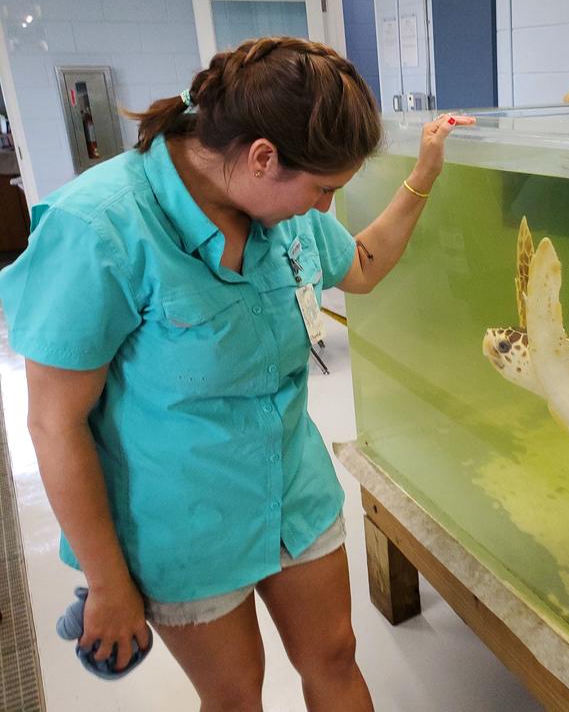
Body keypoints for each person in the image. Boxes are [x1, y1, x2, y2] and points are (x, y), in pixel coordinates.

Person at [0, 36, 474, 711]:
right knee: (233, 696)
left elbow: (363, 265)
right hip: (180, 517)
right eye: (322, 190)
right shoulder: (100, 227)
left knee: (335, 655)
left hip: (292, 489)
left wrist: (424, 173)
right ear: (261, 159)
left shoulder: (280, 215)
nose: (321, 210)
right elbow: (54, 422)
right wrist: (107, 584)